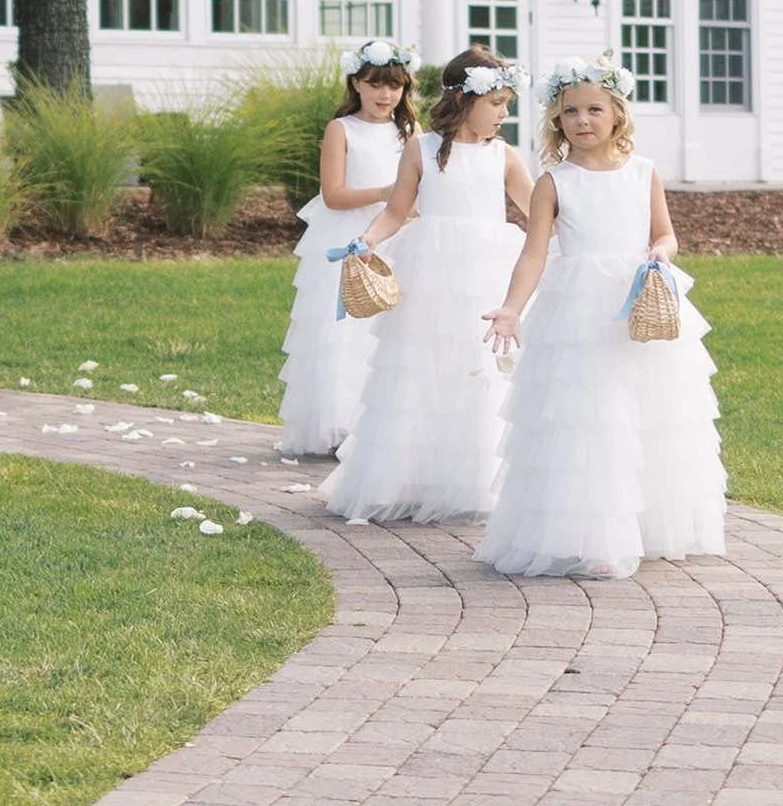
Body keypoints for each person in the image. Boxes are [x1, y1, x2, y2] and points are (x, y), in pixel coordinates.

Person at [476, 57, 727, 579]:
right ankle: (597, 538)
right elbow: (534, 254)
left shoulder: (643, 172)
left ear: (617, 115)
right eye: (570, 111)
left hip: (639, 302)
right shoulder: (554, 182)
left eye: (594, 109)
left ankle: (652, 525)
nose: (582, 120)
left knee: (650, 412)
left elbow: (665, 232)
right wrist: (511, 308)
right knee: (593, 420)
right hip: (580, 313)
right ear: (556, 119)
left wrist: (661, 253)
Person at [318, 46, 533, 524]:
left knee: (481, 368)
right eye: (496, 102)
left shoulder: (504, 155)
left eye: (507, 104)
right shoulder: (422, 148)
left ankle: (478, 477)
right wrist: (367, 239)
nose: (503, 114)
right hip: (431, 271)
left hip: (487, 271)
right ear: (464, 99)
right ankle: (410, 475)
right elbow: (397, 209)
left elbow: (541, 213)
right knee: (422, 368)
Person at [278, 40, 418, 456]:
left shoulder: (409, 132)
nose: (384, 96)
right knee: (344, 332)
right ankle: (338, 423)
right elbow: (334, 193)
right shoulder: (341, 130)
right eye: (375, 85)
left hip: (395, 235)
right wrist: (386, 193)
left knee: (391, 328)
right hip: (347, 232)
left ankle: (384, 425)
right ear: (356, 83)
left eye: (394, 87)